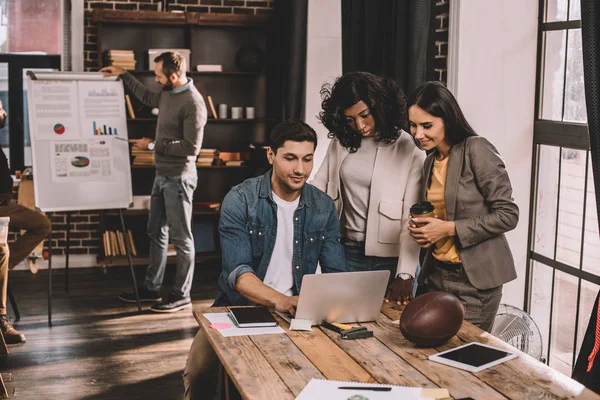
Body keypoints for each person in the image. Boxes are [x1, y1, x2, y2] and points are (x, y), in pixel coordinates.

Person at [183, 119, 347, 399]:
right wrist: (280, 300)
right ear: (271, 155)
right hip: (238, 308)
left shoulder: (323, 207)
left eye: (307, 159)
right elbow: (238, 273)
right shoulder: (240, 200)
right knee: (198, 372)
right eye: (290, 158)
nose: (300, 169)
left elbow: (336, 273)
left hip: (297, 312)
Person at [406, 81, 519, 332]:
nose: (418, 134)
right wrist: (424, 233)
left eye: (427, 125)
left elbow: (508, 215)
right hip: (435, 276)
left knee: (464, 361)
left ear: (448, 119)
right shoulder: (430, 162)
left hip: (473, 284)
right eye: (413, 125)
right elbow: (440, 217)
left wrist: (447, 229)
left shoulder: (477, 149)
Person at [101, 52, 207, 313]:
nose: (156, 80)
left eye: (159, 76)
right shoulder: (168, 93)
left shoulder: (193, 103)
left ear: (173, 76)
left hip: (179, 177)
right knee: (156, 232)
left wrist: (150, 144)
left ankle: (182, 295)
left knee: (181, 239)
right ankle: (151, 288)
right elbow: (148, 96)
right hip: (161, 175)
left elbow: (191, 148)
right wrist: (123, 75)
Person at [311, 71, 425, 304]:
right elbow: (319, 188)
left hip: (392, 260)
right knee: (343, 325)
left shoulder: (409, 148)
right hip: (347, 253)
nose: (360, 126)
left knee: (390, 333)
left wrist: (404, 273)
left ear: (379, 106)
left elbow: (411, 218)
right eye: (350, 119)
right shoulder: (341, 141)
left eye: (365, 115)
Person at [0, 99, 52, 344]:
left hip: (5, 205)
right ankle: (1, 319)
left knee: (42, 224)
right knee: (1, 249)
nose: (2, 113)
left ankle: (4, 266)